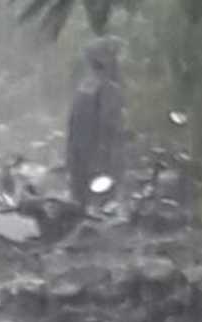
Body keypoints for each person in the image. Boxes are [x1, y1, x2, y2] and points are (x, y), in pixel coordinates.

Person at [67, 37, 126, 206]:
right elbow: (111, 123)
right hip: (100, 156)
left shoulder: (84, 86)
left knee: (81, 199)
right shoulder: (108, 89)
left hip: (79, 154)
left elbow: (73, 122)